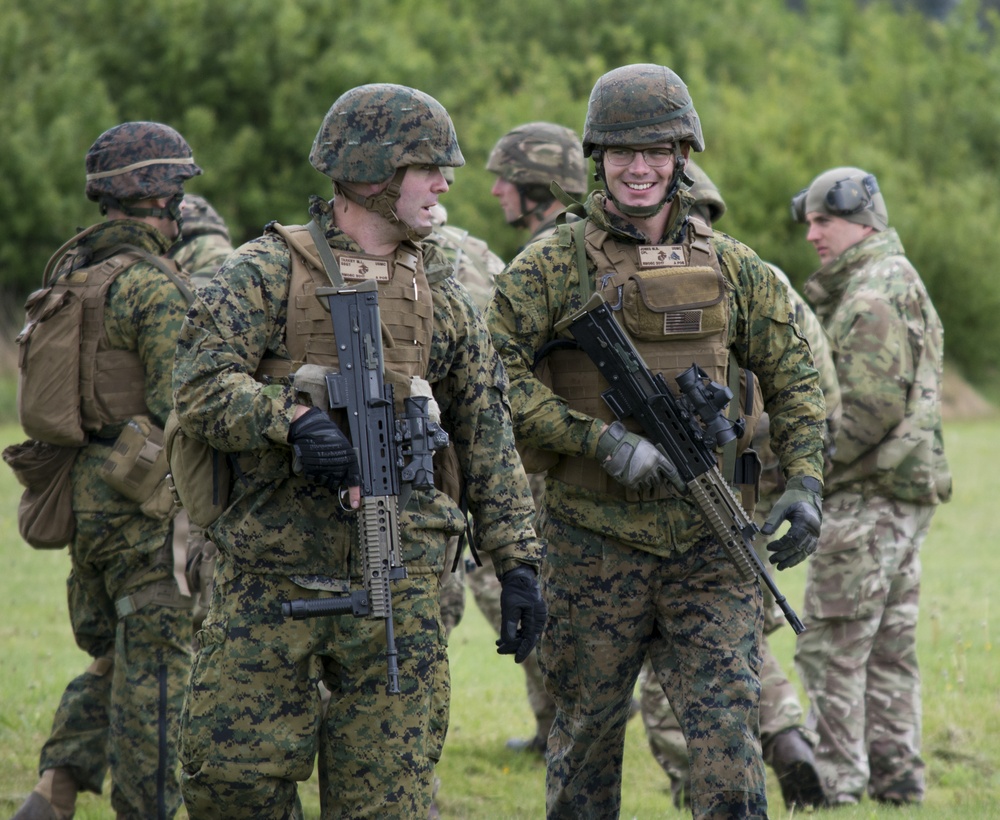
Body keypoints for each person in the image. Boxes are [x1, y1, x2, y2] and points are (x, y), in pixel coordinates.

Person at [172, 83, 547, 818]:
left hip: (399, 585)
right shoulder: (265, 271)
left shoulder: (439, 287)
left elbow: (487, 430)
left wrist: (520, 563)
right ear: (373, 174)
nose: (445, 183)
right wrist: (289, 421)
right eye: (429, 167)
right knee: (231, 785)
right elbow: (196, 384)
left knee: (387, 800)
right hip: (267, 576)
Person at [486, 63, 827, 818]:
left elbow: (796, 374)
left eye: (657, 153)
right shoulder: (550, 264)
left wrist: (804, 483)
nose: (639, 169)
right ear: (596, 160)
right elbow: (492, 378)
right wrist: (601, 443)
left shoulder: (734, 266)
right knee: (585, 755)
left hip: (711, 545)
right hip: (591, 545)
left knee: (730, 751)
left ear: (682, 158)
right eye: (621, 153)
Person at [12, 121, 202, 820]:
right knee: (156, 670)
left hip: (82, 497)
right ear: (160, 198)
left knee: (115, 654)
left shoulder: (74, 276)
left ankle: (54, 789)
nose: (182, 208)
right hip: (143, 501)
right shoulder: (156, 289)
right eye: (177, 192)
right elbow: (184, 405)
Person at [636, 158, 837, 812]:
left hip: (680, 499)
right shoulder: (763, 279)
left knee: (674, 666)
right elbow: (818, 394)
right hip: (749, 494)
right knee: (736, 638)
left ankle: (706, 791)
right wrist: (787, 475)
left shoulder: (641, 283)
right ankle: (784, 738)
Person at [792, 166, 952, 806]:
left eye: (822, 221)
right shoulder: (898, 280)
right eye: (808, 222)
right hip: (901, 501)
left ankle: (837, 782)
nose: (812, 235)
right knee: (888, 649)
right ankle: (897, 778)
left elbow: (863, 413)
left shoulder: (871, 295)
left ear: (861, 221)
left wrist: (796, 464)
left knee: (833, 647)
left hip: (866, 503)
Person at [487, 121, 589, 248]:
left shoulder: (542, 255)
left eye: (505, 178)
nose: (495, 191)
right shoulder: (596, 238)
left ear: (535, 189)